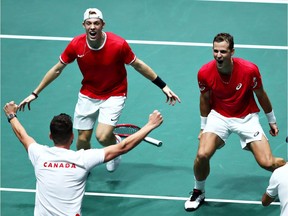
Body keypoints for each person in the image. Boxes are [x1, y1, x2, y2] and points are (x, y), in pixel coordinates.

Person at [18, 8, 180, 172]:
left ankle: (114, 147)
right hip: (88, 93)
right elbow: (57, 69)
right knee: (82, 140)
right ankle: (84, 168)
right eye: (89, 23)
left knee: (102, 136)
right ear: (84, 25)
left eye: (96, 23)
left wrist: (163, 86)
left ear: (103, 24)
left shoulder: (118, 44)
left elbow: (138, 65)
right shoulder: (76, 44)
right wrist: (35, 93)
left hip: (115, 93)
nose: (92, 27)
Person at [3, 101, 163, 216]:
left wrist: (11, 115)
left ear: (50, 136)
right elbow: (123, 147)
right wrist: (150, 125)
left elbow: (22, 135)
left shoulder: (38, 154)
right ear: (72, 137)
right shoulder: (83, 158)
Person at [184, 33, 286, 211]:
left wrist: (272, 120)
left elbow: (260, 94)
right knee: (201, 155)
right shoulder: (204, 72)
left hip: (247, 118)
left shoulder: (249, 70)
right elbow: (204, 99)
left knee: (267, 163)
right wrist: (203, 126)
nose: (218, 55)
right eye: (215, 51)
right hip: (219, 117)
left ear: (232, 51)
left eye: (223, 51)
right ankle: (198, 191)